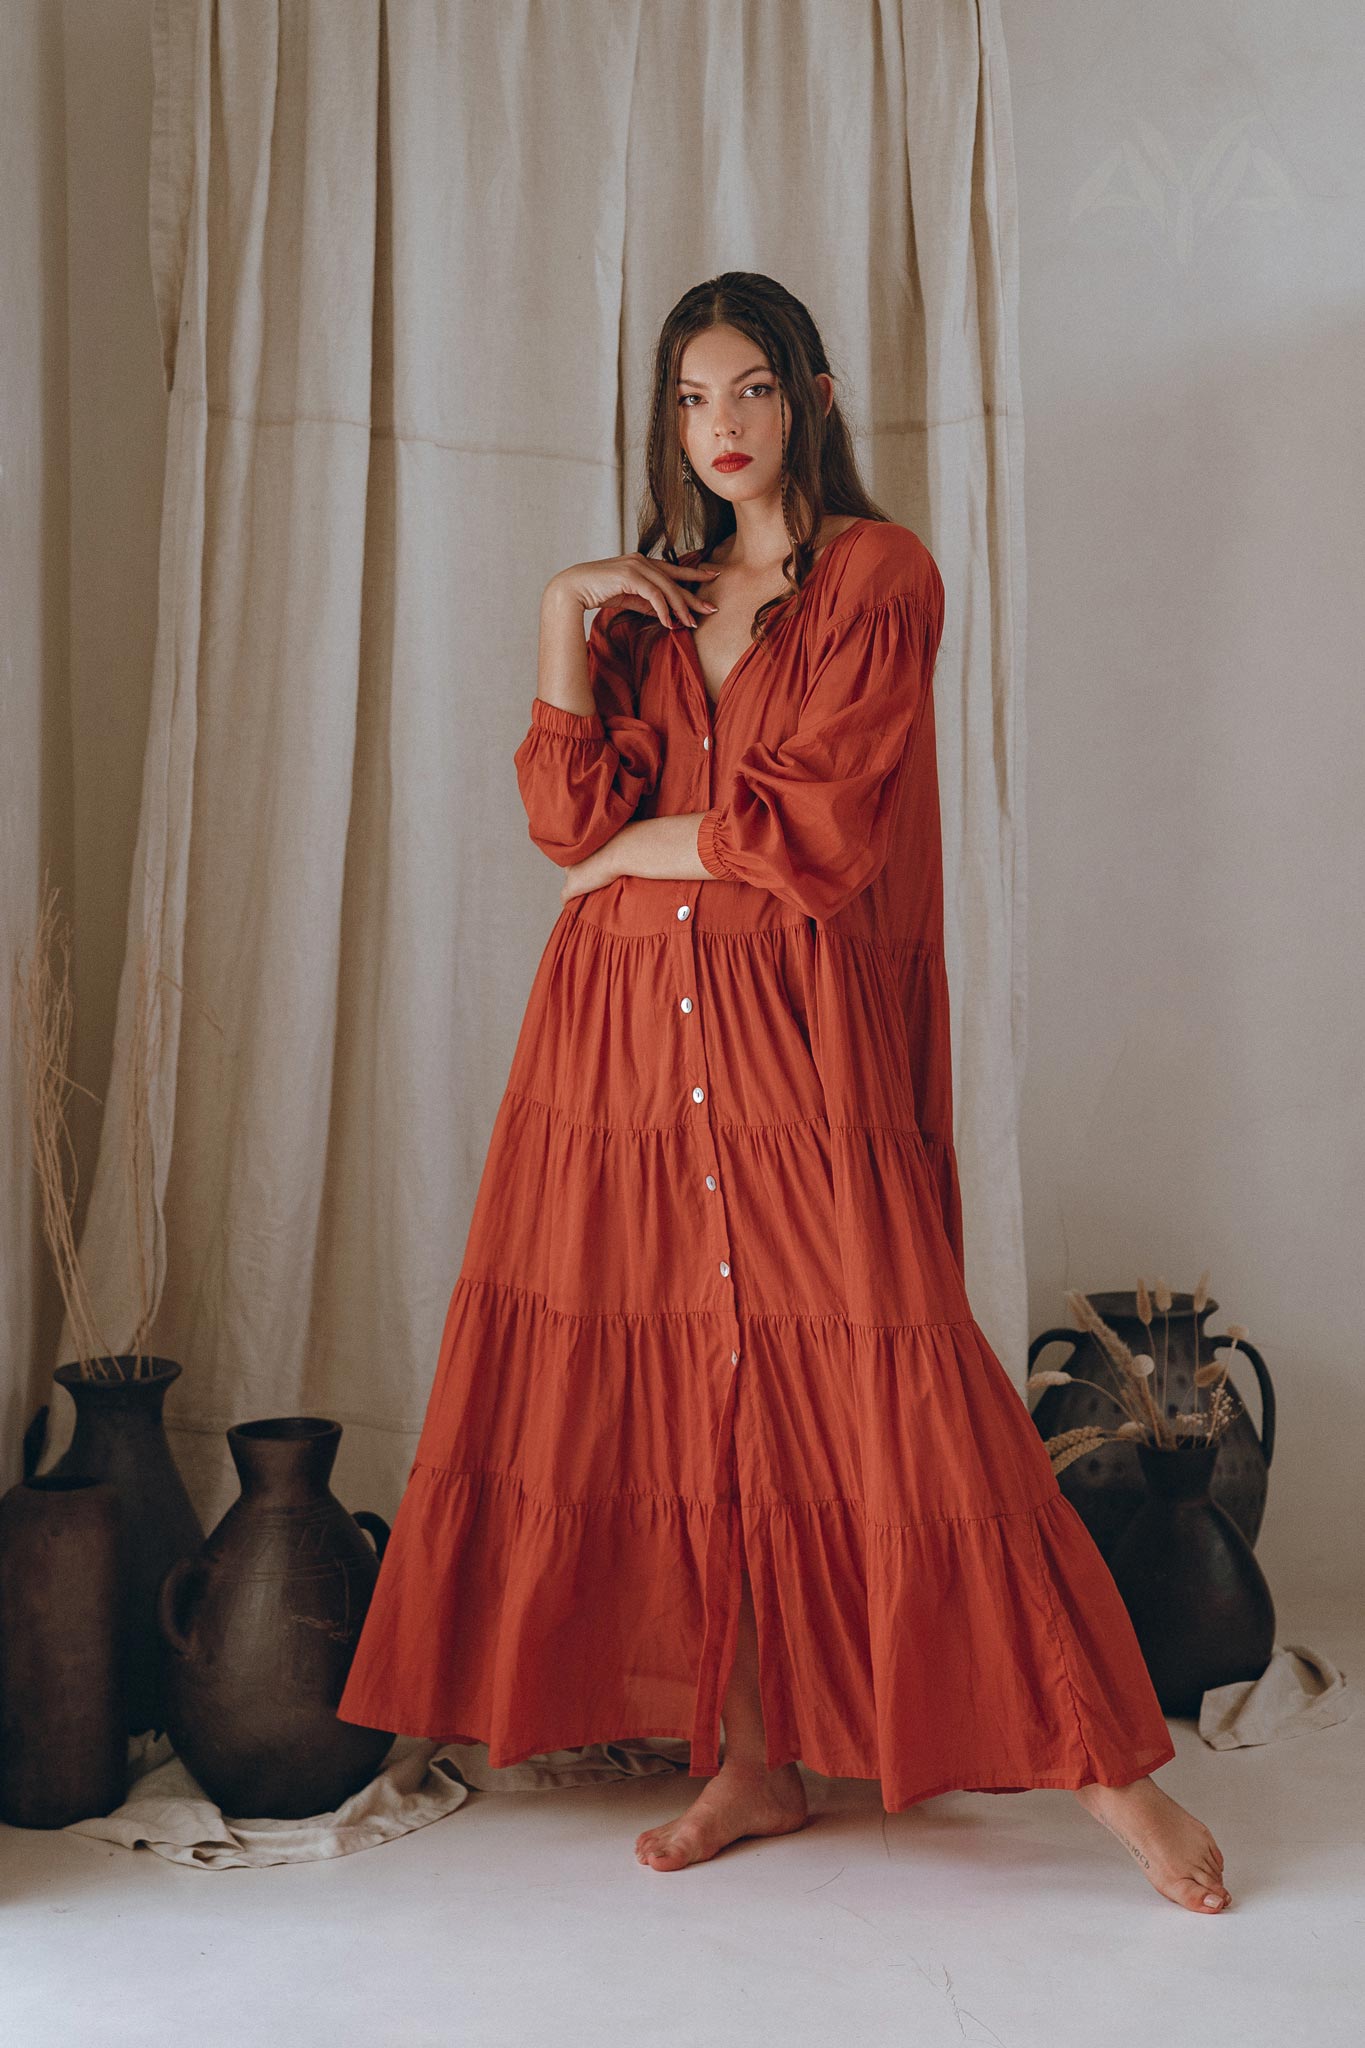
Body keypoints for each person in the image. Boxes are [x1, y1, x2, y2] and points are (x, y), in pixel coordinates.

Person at [336, 272, 1230, 1915]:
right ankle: (749, 1757)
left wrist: (624, 854)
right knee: (684, 1386)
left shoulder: (880, 578)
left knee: (900, 1385)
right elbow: (563, 818)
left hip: (791, 1037)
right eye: (691, 400)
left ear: (814, 394)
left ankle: (1115, 1781)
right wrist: (559, 610)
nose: (721, 429)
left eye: (750, 389)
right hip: (613, 1047)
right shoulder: (645, 603)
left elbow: (808, 839)